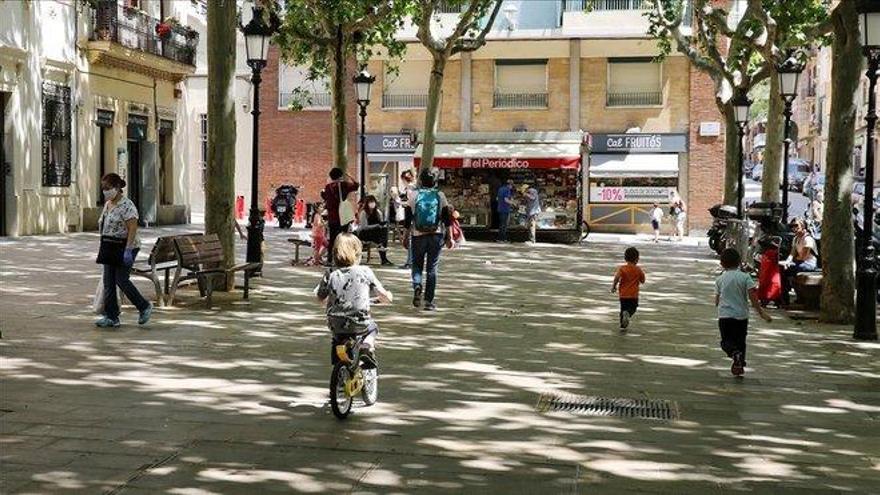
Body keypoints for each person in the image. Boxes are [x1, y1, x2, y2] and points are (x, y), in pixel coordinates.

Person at [315, 234, 393, 394]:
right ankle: (367, 346)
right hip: (360, 322)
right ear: (357, 253)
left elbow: (320, 297)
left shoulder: (330, 273)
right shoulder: (365, 271)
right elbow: (382, 294)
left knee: (337, 338)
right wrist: (387, 297)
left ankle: (338, 373)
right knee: (373, 327)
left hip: (335, 323)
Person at [94, 173, 153, 328]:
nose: (105, 191)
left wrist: (128, 250)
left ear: (118, 187)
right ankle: (112, 316)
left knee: (121, 279)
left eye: (108, 188)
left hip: (126, 246)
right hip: (109, 246)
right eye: (103, 188)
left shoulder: (127, 206)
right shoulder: (108, 204)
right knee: (108, 282)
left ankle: (144, 306)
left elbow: (132, 228)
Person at [715, 248, 772, 377]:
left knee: (726, 341)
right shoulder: (745, 277)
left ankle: (734, 354)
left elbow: (717, 300)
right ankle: (740, 363)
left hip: (725, 316)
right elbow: (753, 296)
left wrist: (719, 302)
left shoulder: (720, 279)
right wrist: (761, 312)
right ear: (739, 262)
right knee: (741, 341)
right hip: (741, 316)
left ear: (722, 263)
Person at [406, 168, 453, 311]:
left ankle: (417, 285)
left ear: (420, 181)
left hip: (417, 235)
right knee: (432, 268)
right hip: (436, 235)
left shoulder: (414, 195)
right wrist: (449, 237)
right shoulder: (440, 195)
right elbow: (447, 219)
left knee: (417, 265)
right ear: (434, 181)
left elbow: (407, 220)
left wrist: (404, 236)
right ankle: (428, 301)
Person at [321, 168, 359, 264]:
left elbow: (325, 197)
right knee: (344, 238)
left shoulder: (328, 187)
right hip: (343, 217)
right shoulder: (343, 185)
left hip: (332, 217)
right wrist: (349, 176)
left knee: (333, 239)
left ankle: (330, 259)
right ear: (341, 176)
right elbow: (356, 185)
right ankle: (343, 258)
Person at [781, 218, 819, 305]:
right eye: (792, 226)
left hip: (809, 264)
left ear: (803, 226)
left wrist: (791, 263)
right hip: (799, 262)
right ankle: (786, 296)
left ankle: (787, 297)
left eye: (796, 226)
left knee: (788, 271)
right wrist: (787, 262)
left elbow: (803, 256)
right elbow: (792, 253)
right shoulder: (795, 239)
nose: (794, 228)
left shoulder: (808, 239)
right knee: (783, 269)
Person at [611, 247, 645, 331]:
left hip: (623, 295)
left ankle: (622, 326)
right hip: (633, 295)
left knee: (623, 309)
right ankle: (628, 314)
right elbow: (643, 280)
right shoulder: (638, 269)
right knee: (633, 308)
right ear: (637, 259)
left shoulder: (622, 268)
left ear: (625, 258)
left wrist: (614, 286)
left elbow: (617, 277)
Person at [357, 195, 393, 266]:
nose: (372, 203)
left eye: (373, 202)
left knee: (384, 231)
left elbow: (381, 223)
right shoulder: (364, 213)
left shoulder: (378, 212)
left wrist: (381, 225)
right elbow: (364, 227)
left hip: (375, 232)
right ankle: (382, 249)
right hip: (365, 233)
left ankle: (383, 254)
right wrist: (376, 225)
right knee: (379, 234)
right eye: (370, 202)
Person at [399, 170, 417, 269]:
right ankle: (411, 261)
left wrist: (403, 203)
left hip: (411, 217)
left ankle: (409, 262)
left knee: (410, 240)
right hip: (418, 217)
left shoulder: (409, 189)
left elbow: (409, 205)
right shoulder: (416, 188)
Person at [496, 178, 515, 242]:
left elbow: (497, 198)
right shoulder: (507, 190)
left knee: (501, 224)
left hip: (500, 208)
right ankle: (503, 239)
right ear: (509, 185)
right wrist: (513, 203)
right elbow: (506, 199)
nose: (511, 187)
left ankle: (499, 238)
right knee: (504, 225)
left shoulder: (500, 189)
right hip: (505, 209)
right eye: (512, 185)